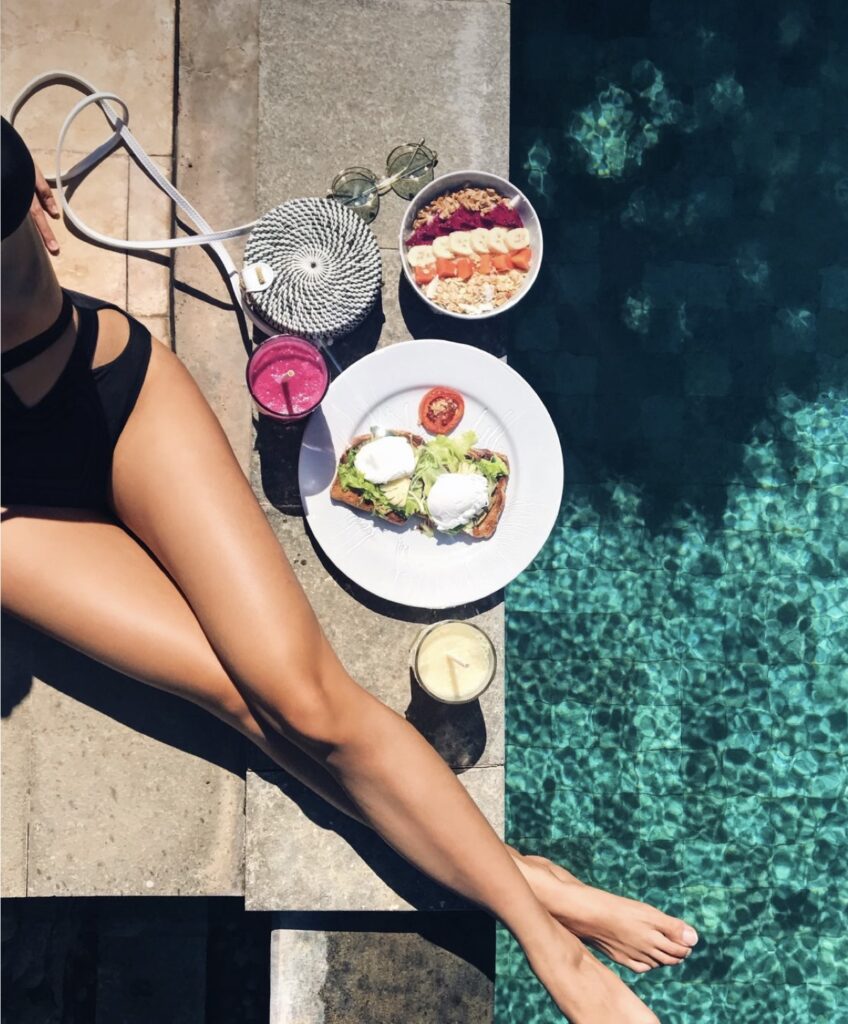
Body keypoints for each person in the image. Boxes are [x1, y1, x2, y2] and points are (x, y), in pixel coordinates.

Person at [0, 116, 697, 1024]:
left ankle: (542, 921)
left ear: (40, 202)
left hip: (118, 396)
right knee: (236, 698)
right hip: (12, 510)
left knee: (302, 699)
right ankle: (534, 901)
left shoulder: (10, 175)